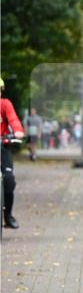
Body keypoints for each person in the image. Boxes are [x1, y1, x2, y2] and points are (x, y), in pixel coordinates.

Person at [1, 78, 25, 229]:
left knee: (9, 179)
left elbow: (13, 120)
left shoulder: (5, 104)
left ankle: (8, 215)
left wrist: (17, 132)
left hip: (2, 147)